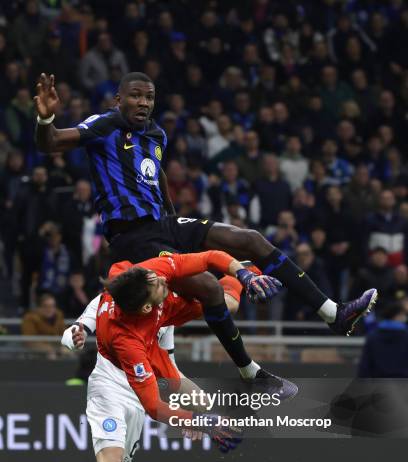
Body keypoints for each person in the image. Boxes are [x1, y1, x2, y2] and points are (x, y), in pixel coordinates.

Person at [34, 71, 377, 356]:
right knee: (209, 288)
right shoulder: (104, 125)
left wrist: (172, 219)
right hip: (131, 237)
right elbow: (50, 143)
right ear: (118, 100)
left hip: (163, 224)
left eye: (149, 97)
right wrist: (46, 117)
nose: (143, 103)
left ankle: (334, 314)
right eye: (136, 95)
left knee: (250, 239)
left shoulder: (156, 134)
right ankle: (244, 369)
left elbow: (159, 176)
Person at [38, 249, 279, 462]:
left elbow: (209, 267)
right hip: (110, 387)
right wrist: (196, 420)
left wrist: (244, 272)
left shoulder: (143, 275)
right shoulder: (129, 337)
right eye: (158, 286)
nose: (162, 281)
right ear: (147, 305)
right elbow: (156, 401)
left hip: (139, 391)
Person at [358, 302, 408, 377]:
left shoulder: (373, 336)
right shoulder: (405, 336)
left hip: (378, 383)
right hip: (402, 383)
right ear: (398, 315)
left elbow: (365, 365)